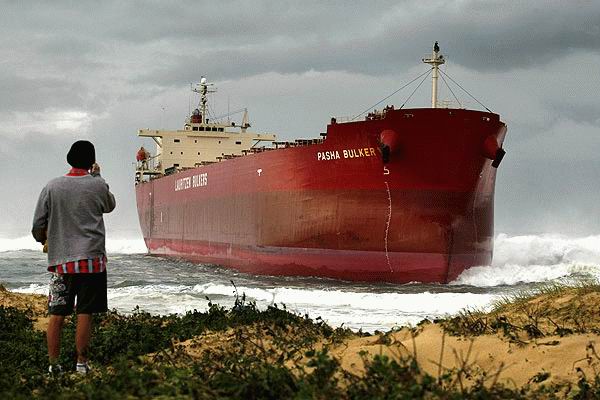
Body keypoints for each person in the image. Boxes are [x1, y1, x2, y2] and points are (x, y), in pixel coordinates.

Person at [31, 140, 116, 375]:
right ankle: (81, 364)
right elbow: (110, 205)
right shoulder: (97, 185)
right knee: (85, 314)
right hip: (92, 262)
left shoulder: (52, 186)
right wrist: (97, 177)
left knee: (57, 315)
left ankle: (54, 365)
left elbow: (37, 224)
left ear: (69, 159)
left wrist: (44, 239)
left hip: (61, 263)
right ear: (92, 161)